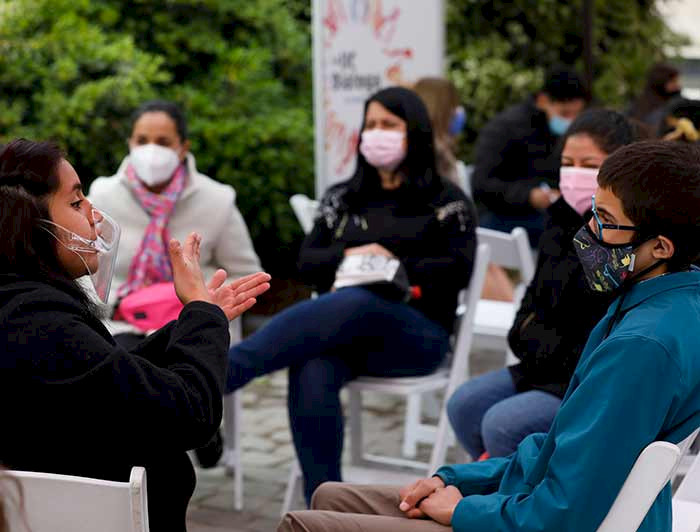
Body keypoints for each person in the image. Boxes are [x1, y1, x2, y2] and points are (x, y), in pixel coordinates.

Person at [278, 139, 700, 532]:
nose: (588, 229)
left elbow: (565, 510)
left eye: (605, 221)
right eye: (594, 210)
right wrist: (454, 477)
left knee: (304, 523)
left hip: (540, 519)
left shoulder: (642, 345)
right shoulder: (664, 306)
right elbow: (561, 449)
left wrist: (462, 509)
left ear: (661, 247)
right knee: (328, 494)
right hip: (533, 503)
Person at [0, 139, 270, 532]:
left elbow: (108, 376)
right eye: (76, 203)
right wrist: (201, 313)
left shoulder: (23, 305)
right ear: (31, 222)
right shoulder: (37, 321)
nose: (94, 216)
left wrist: (197, 322)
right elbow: (191, 415)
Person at [225, 86, 477, 505]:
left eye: (388, 125)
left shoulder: (446, 201)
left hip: (417, 336)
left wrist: (391, 264)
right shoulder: (342, 197)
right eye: (371, 124)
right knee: (311, 362)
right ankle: (325, 506)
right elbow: (307, 261)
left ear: (413, 132)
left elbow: (457, 270)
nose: (376, 133)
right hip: (344, 337)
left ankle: (226, 370)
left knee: (361, 300)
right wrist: (351, 254)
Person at [447, 109, 647, 460]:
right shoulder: (559, 219)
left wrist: (540, 341)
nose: (575, 175)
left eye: (589, 165)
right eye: (568, 163)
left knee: (502, 425)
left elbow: (597, 327)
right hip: (539, 367)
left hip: (581, 382)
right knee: (463, 405)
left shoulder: (623, 235)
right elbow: (530, 307)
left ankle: (513, 497)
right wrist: (532, 337)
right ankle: (498, 483)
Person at [88, 99, 261, 347]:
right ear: (130, 144)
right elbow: (79, 267)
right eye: (142, 141)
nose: (151, 150)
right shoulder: (103, 196)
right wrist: (114, 305)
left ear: (183, 147)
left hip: (194, 325)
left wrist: (206, 303)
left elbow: (247, 275)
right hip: (119, 324)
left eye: (163, 142)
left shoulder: (217, 200)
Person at [472, 67, 588, 247]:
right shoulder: (504, 128)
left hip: (550, 214)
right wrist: (529, 196)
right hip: (503, 215)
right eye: (565, 114)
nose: (571, 121)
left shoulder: (567, 132)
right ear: (543, 101)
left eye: (576, 114)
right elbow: (481, 184)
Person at [627, 62, 681, 129]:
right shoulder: (637, 105)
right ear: (660, 82)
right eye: (673, 81)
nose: (678, 85)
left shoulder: (679, 104)